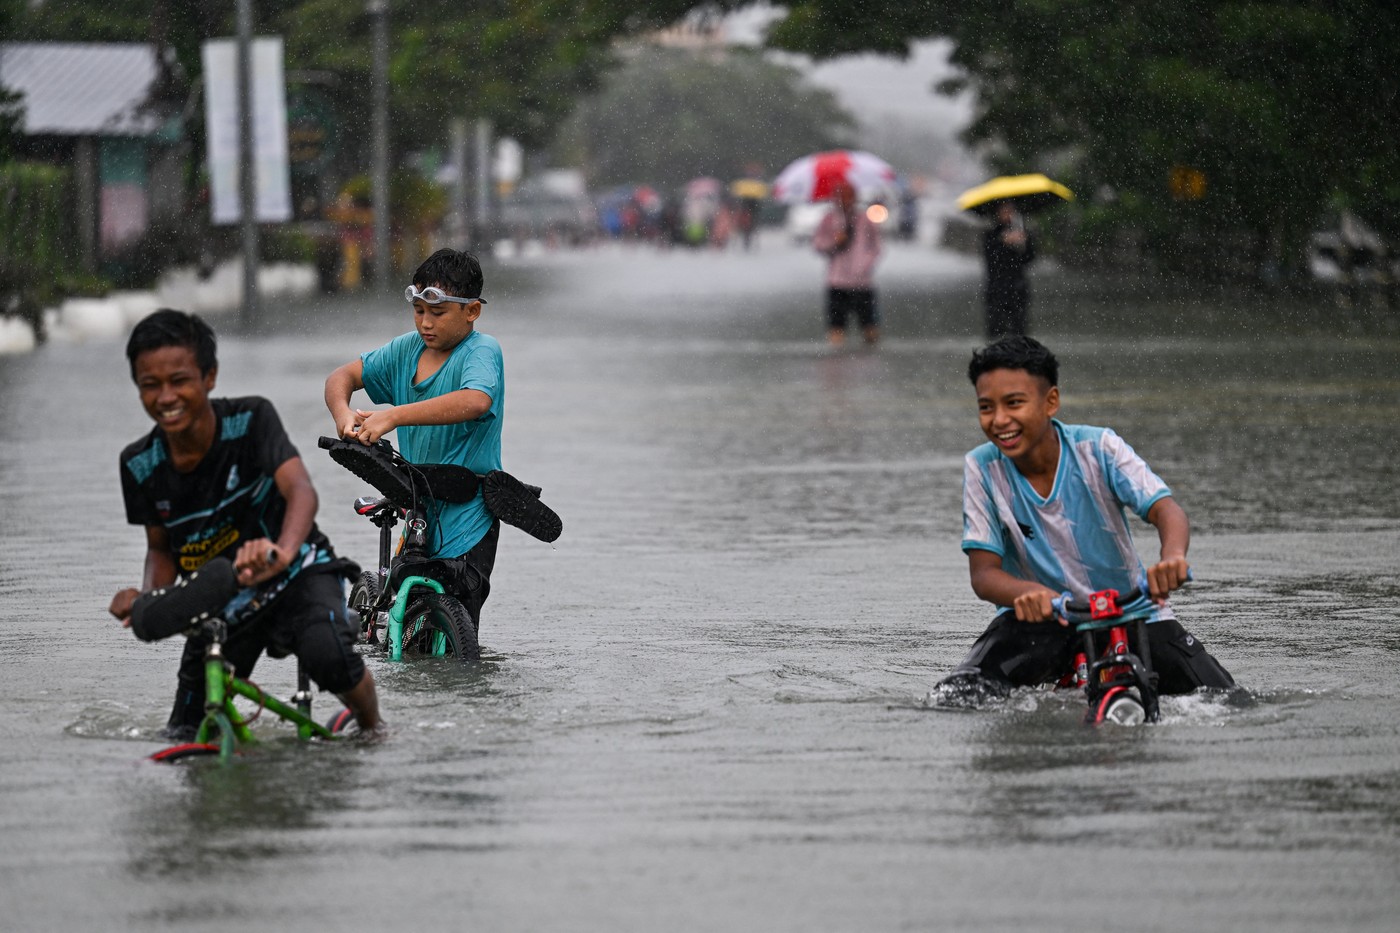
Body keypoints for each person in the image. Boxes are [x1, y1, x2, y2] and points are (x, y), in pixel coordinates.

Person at [110, 310, 382, 738]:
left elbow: (301, 493)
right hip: (224, 592)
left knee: (328, 657)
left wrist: (282, 551)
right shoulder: (138, 464)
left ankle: (373, 726)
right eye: (150, 385)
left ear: (209, 377)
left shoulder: (252, 419)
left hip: (298, 570)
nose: (166, 397)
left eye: (179, 380)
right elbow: (161, 547)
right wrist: (149, 600)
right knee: (183, 733)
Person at [934, 335, 1235, 701]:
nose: (999, 420)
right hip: (1042, 620)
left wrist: (1172, 558)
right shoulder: (981, 468)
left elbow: (1165, 509)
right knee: (957, 696)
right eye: (986, 407)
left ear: (1051, 402)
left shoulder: (1099, 448)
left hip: (1133, 613)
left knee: (1227, 700)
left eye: (1014, 403)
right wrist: (1027, 593)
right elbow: (984, 575)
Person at [324, 247, 503, 634]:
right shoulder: (407, 348)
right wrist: (343, 413)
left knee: (458, 626)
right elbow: (341, 377)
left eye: (438, 313)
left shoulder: (482, 351)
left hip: (469, 513)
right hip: (421, 505)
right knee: (405, 621)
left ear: (472, 311)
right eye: (419, 311)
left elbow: (476, 400)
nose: (426, 323)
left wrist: (393, 414)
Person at [812, 180, 883, 347]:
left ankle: (869, 358)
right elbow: (818, 244)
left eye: (849, 195)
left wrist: (865, 265)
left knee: (869, 326)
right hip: (837, 280)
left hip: (862, 282)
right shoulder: (829, 219)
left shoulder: (865, 219)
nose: (845, 199)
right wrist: (834, 242)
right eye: (841, 195)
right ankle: (838, 364)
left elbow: (876, 247)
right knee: (836, 327)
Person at [982, 201, 1036, 338]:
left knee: (1019, 328)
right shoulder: (991, 235)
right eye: (1004, 211)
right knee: (996, 329)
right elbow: (990, 259)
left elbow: (1029, 259)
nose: (1007, 214)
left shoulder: (1021, 232)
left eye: (1010, 211)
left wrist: (1023, 243)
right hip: (997, 288)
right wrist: (1003, 242)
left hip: (1018, 287)